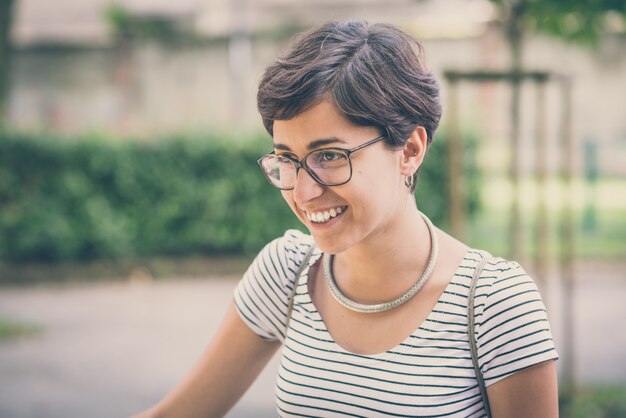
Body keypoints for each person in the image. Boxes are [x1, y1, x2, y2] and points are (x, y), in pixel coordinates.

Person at [133, 21, 558, 417]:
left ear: (409, 150)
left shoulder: (494, 304)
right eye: (286, 159)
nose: (302, 192)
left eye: (330, 156)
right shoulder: (287, 272)